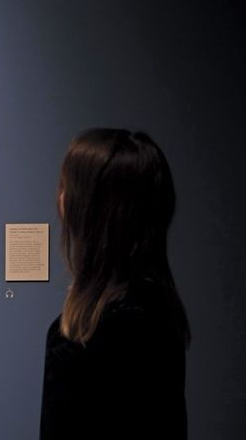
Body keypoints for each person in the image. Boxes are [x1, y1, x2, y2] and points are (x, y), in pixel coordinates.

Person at [40, 129, 190, 440]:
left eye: (67, 187)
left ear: (90, 210)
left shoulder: (112, 327)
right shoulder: (154, 309)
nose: (60, 198)